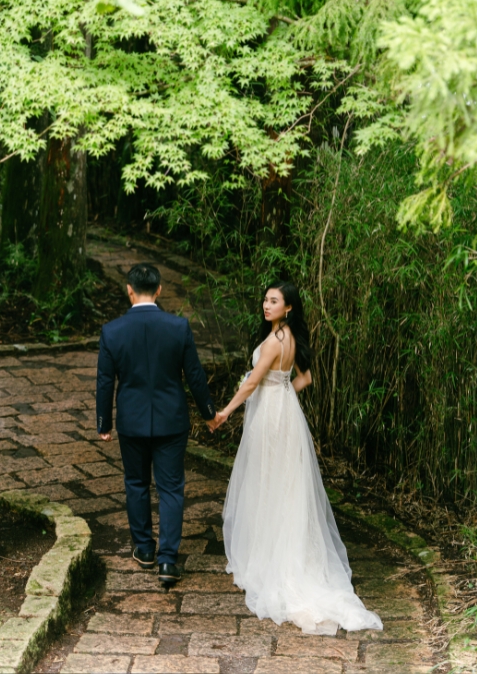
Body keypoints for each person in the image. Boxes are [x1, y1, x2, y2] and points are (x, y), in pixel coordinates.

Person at [209, 282, 382, 635]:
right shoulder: (289, 338)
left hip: (271, 417)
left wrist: (225, 411)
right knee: (283, 484)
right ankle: (279, 551)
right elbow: (306, 378)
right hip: (286, 411)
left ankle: (269, 563)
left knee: (266, 482)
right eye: (265, 299)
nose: (266, 304)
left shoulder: (274, 342)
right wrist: (282, 388)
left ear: (288, 307)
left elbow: (251, 383)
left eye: (274, 301)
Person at [96, 263, 217, 585]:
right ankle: (167, 561)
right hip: (171, 420)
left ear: (129, 290)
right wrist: (209, 414)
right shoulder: (178, 327)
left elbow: (105, 381)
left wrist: (103, 423)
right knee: (171, 488)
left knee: (136, 484)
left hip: (132, 421)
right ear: (160, 290)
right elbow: (194, 376)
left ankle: (145, 550)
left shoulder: (112, 331)